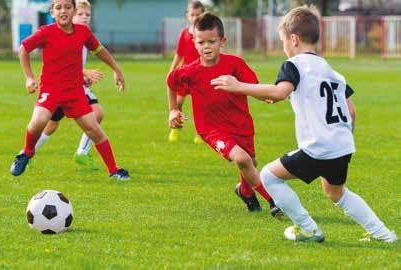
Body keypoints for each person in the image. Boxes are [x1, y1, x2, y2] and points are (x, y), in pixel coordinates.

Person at [211, 5, 398, 242]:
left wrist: (238, 86)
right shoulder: (331, 71)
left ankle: (309, 229)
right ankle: (383, 234)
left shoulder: (295, 65)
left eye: (282, 42)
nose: (284, 47)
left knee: (269, 176)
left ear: (294, 39)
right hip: (341, 145)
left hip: (318, 147)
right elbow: (351, 112)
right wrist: (340, 137)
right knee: (336, 192)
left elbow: (280, 92)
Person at [167, 12, 283, 217]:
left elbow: (251, 86)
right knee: (242, 159)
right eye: (201, 42)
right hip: (211, 129)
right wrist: (174, 109)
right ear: (194, 43)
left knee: (250, 164)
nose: (206, 46)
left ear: (222, 41)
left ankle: (245, 192)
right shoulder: (190, 71)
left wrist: (264, 96)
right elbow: (171, 81)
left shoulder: (235, 64)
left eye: (211, 41)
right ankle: (274, 201)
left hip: (241, 125)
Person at [10, 0, 130, 180]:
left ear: (74, 10)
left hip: (75, 92)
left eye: (67, 7)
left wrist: (116, 69)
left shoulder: (83, 32)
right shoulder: (46, 32)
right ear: (52, 12)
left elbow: (99, 50)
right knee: (39, 121)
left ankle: (114, 171)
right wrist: (29, 77)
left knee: (94, 130)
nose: (63, 11)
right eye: (58, 7)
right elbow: (23, 49)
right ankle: (26, 153)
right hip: (51, 90)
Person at [34, 0, 104, 171]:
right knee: (51, 125)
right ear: (72, 15)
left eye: (87, 15)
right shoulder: (64, 33)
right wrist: (83, 73)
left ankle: (81, 152)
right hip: (60, 87)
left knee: (97, 114)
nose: (84, 17)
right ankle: (27, 152)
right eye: (80, 14)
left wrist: (83, 76)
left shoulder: (83, 34)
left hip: (76, 86)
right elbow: (62, 64)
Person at [167, 0, 204, 144]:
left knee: (200, 106)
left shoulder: (204, 34)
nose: (195, 18)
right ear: (187, 16)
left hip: (200, 75)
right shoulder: (184, 34)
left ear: (203, 15)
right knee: (177, 102)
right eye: (192, 15)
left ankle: (201, 134)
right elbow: (179, 54)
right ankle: (176, 128)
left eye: (198, 15)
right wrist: (172, 69)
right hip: (185, 75)